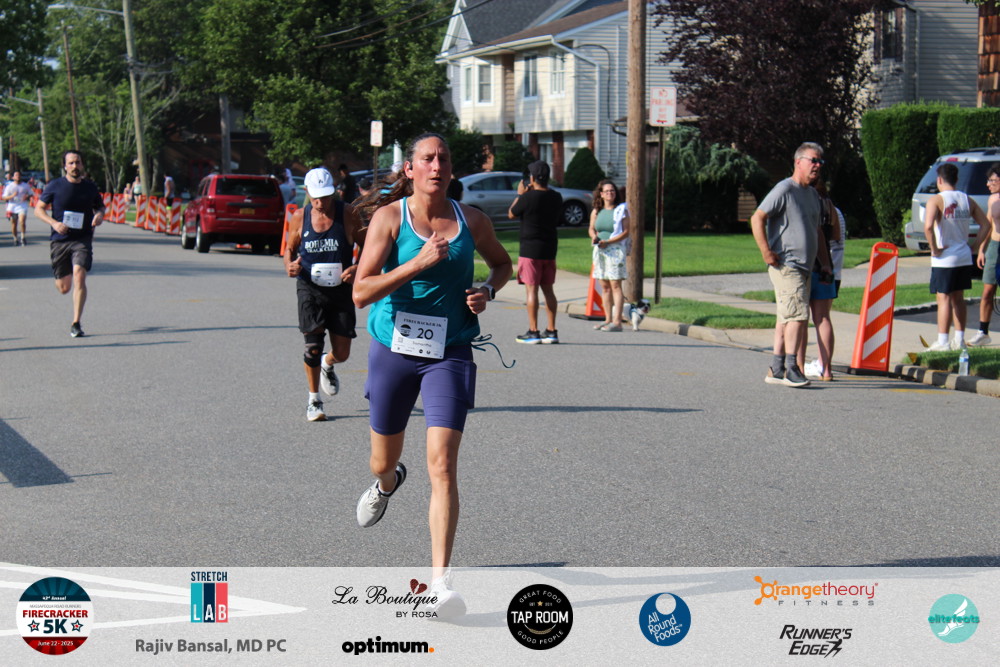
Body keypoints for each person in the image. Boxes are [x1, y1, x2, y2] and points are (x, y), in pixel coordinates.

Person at [352, 133, 512, 618]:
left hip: (451, 350)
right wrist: (417, 263)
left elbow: (502, 265)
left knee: (442, 464)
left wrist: (487, 290)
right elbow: (361, 292)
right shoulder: (389, 219)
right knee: (382, 460)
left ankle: (441, 583)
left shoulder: (472, 220)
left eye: (443, 158)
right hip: (394, 349)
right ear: (410, 169)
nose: (436, 165)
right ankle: (386, 484)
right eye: (427, 158)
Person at [284, 167, 365, 422]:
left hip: (340, 290)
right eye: (316, 197)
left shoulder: (348, 213)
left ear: (334, 192)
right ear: (307, 192)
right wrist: (289, 265)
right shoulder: (300, 217)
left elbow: (368, 245)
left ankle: (328, 364)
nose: (321, 202)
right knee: (312, 347)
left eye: (326, 196)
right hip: (310, 288)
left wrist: (357, 267)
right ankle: (314, 400)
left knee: (342, 353)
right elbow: (289, 249)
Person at [750, 142, 828, 388]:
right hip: (787, 264)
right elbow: (757, 217)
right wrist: (766, 252)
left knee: (786, 316)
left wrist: (825, 263)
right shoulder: (785, 189)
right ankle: (792, 368)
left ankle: (776, 368)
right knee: (798, 315)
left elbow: (817, 231)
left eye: (820, 161)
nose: (817, 165)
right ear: (798, 161)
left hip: (806, 267)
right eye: (813, 160)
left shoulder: (813, 195)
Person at [34, 150, 106, 338]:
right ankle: (62, 283)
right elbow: (38, 209)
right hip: (60, 240)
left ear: (82, 165)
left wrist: (99, 215)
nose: (75, 166)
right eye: (71, 163)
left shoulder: (90, 187)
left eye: (78, 162)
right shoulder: (55, 186)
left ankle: (76, 323)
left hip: (82, 239)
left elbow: (100, 206)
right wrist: (54, 223)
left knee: (79, 275)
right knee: (64, 288)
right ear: (65, 166)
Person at [923, 162, 991, 351]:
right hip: (963, 255)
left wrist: (934, 248)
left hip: (945, 257)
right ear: (957, 179)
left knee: (943, 298)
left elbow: (928, 227)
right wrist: (974, 246)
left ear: (939, 180)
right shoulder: (966, 199)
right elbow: (985, 224)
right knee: (958, 298)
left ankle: (943, 341)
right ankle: (959, 339)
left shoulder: (936, 200)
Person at [509, 160, 562, 344]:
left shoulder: (527, 197)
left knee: (532, 290)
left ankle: (533, 331)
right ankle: (552, 330)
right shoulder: (556, 196)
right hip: (549, 248)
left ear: (532, 178)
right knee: (548, 290)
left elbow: (512, 213)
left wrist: (520, 194)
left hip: (530, 249)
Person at [802, 182, 841, 381]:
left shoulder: (803, 201)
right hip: (826, 267)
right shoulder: (828, 204)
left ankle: (798, 367)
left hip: (807, 264)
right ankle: (826, 369)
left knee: (800, 319)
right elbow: (836, 235)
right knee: (823, 318)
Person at [588, 179, 629, 332]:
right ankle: (607, 319)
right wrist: (594, 237)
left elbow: (626, 232)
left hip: (615, 250)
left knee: (615, 285)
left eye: (612, 191)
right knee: (605, 287)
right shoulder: (597, 211)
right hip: (600, 250)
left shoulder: (621, 211)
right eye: (606, 191)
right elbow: (591, 228)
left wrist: (609, 241)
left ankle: (617, 322)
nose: (610, 193)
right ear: (601, 194)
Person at [970, 164, 1000, 346]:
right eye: (988, 180)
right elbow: (988, 224)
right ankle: (983, 332)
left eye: (993, 180)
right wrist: (982, 249)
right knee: (988, 290)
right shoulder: (992, 200)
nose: (989, 184)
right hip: (995, 247)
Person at [3, 171, 34, 246]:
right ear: (13, 177)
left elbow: (31, 194)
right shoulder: (9, 186)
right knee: (14, 223)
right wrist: (12, 196)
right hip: (12, 206)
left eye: (19, 175)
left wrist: (27, 196)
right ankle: (15, 238)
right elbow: (4, 197)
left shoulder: (25, 185)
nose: (18, 176)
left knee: (22, 221)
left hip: (22, 205)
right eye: (16, 175)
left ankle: (23, 237)